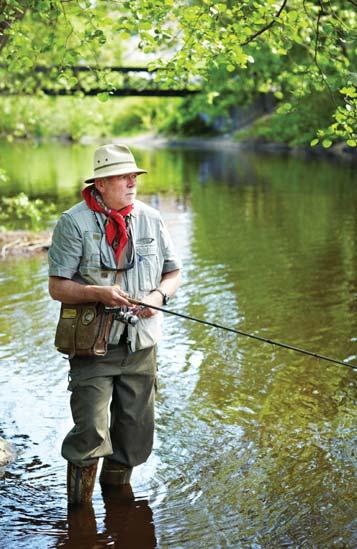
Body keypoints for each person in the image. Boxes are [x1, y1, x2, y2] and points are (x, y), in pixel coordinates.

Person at [48, 144, 181, 504]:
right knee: (90, 432)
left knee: (134, 435)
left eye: (133, 176)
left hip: (142, 346)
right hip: (94, 346)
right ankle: (79, 518)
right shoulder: (72, 222)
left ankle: (119, 508)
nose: (131, 182)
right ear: (101, 183)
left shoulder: (152, 218)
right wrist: (98, 293)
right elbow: (57, 287)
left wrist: (158, 298)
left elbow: (173, 273)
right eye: (123, 176)